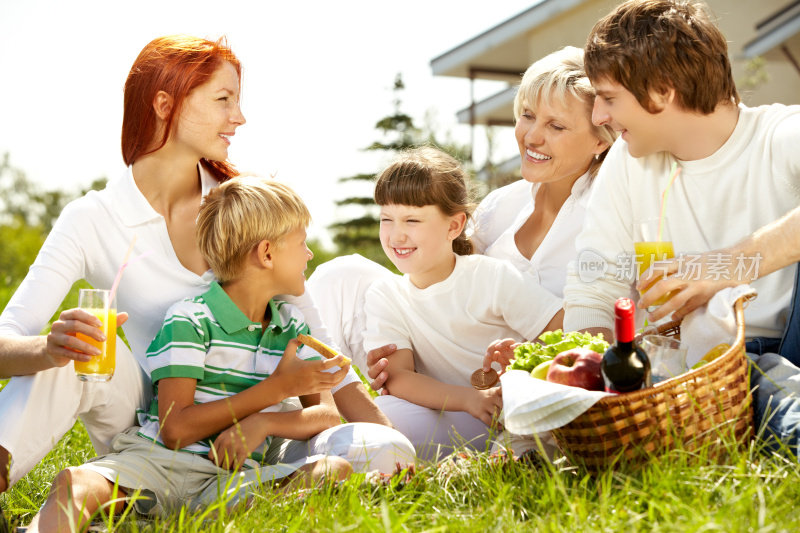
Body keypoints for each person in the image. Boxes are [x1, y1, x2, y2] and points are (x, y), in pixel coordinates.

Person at [0, 35, 410, 495]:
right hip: (157, 424)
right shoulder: (93, 218)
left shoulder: (240, 206)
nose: (239, 117)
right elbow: (6, 340)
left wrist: (391, 442)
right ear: (164, 104)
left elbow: (324, 350)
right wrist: (48, 350)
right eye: (223, 100)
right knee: (77, 357)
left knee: (378, 450)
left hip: (256, 433)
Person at [28, 177, 374, 531]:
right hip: (159, 464)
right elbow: (175, 430)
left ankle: (161, 523)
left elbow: (327, 416)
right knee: (77, 484)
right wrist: (275, 390)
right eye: (301, 243)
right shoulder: (190, 318)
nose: (309, 253)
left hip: (230, 479)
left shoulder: (291, 327)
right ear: (266, 253)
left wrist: (266, 421)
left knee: (334, 470)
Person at [560, 0, 800, 451]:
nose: (599, 118)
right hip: (710, 364)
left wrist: (726, 266)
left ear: (663, 90)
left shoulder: (781, 135)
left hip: (790, 340)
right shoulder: (627, 166)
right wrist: (590, 373)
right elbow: (596, 287)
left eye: (609, 98)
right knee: (745, 377)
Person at [365, 46, 616, 392]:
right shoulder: (501, 206)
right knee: (343, 275)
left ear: (600, 141)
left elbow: (603, 331)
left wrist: (530, 357)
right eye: (527, 116)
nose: (532, 137)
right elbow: (448, 283)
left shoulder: (611, 213)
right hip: (462, 365)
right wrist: (391, 334)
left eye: (556, 125)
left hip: (551, 380)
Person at [362, 146, 565, 461]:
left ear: (453, 226)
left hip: (509, 409)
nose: (396, 235)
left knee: (534, 418)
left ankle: (514, 453)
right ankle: (494, 456)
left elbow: (561, 328)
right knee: (385, 413)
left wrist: (525, 357)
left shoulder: (490, 276)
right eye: (387, 219)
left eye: (412, 220)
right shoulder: (385, 295)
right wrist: (469, 399)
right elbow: (398, 376)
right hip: (455, 410)